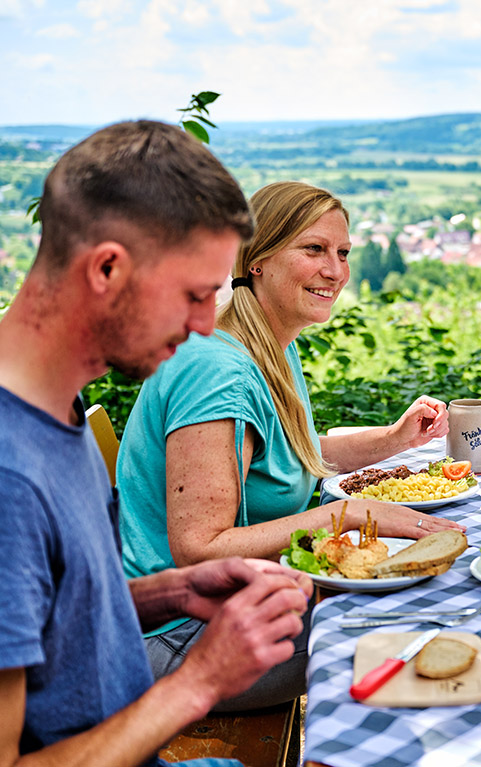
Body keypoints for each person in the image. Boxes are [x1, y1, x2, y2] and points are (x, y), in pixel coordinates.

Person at [0, 120, 312, 767]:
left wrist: (169, 590)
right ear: (108, 268)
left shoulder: (54, 406)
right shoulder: (10, 475)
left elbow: (55, 626)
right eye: (194, 295)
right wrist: (199, 680)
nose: (205, 324)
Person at [116, 180, 465, 710]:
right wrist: (341, 515)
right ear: (258, 259)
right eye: (314, 249)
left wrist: (394, 440)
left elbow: (286, 453)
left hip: (237, 605)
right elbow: (198, 547)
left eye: (343, 253)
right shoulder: (218, 372)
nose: (336, 271)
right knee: (425, 629)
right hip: (178, 640)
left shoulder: (265, 341)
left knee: (426, 599)